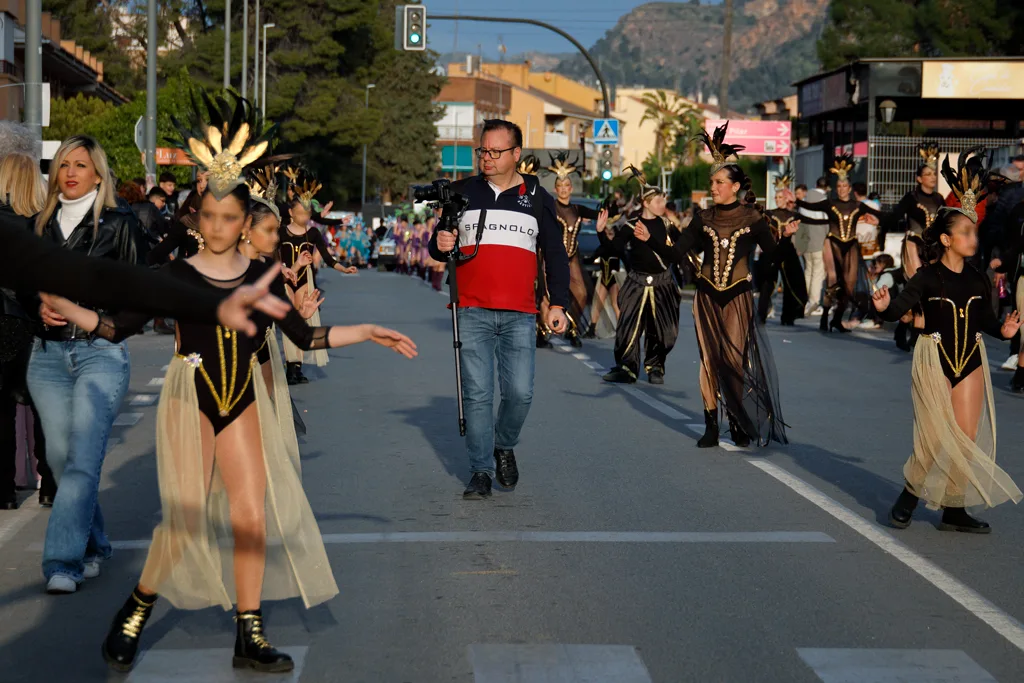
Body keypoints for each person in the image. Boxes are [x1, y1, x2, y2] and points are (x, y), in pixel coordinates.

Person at [41, 94, 417, 675]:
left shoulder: (264, 277)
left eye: (229, 218)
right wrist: (74, 310)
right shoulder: (174, 274)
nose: (217, 226)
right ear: (198, 216)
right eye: (208, 215)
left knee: (251, 515)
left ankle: (250, 632)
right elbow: (118, 328)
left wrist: (365, 330)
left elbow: (306, 338)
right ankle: (137, 609)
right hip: (190, 396)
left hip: (242, 395)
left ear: (245, 224)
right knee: (187, 518)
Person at [24, 136, 149, 594]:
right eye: (63, 165)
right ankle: (94, 545)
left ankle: (62, 562)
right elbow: (19, 284)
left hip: (100, 355)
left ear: (98, 174)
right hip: (47, 357)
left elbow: (141, 292)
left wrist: (101, 321)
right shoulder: (37, 225)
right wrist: (36, 305)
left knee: (80, 462)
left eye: (81, 165)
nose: (71, 172)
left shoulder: (120, 224)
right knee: (60, 460)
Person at [874, 149, 1022, 533]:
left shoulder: (977, 278)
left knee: (965, 437)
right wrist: (886, 307)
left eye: (975, 231)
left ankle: (953, 509)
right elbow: (896, 313)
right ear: (946, 238)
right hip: (933, 355)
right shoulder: (925, 277)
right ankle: (909, 495)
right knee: (935, 436)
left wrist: (1004, 332)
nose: (974, 237)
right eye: (966, 232)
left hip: (970, 358)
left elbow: (985, 320)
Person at [428, 119, 569, 500]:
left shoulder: (537, 196)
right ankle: (480, 472)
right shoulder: (461, 193)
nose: (486, 158)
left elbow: (555, 253)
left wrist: (558, 303)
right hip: (471, 310)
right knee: (477, 394)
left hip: (520, 313)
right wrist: (440, 242)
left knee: (520, 393)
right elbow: (437, 246)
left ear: (516, 154)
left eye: (495, 152)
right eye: (482, 151)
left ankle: (503, 444)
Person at [656, 122, 795, 447]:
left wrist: (786, 239)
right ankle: (710, 424)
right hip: (705, 295)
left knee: (733, 360)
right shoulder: (703, 219)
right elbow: (676, 253)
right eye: (712, 182)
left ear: (734, 186)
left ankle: (736, 419)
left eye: (719, 182)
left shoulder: (753, 219)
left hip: (738, 296)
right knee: (709, 360)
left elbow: (774, 258)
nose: (713, 187)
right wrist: (651, 238)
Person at [0, 152, 55, 510]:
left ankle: (4, 488)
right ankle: (48, 483)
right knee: (43, 408)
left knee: (2, 409)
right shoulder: (41, 224)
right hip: (32, 319)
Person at [600, 168, 681, 386]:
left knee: (665, 332)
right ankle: (628, 367)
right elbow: (612, 251)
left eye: (663, 200)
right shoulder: (630, 226)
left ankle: (655, 366)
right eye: (657, 201)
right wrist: (600, 232)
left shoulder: (667, 226)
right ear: (646, 203)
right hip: (636, 282)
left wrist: (649, 239)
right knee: (629, 328)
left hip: (662, 283)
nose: (662, 204)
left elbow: (676, 254)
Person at [277, 168, 358, 385]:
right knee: (288, 321)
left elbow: (328, 259)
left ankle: (297, 367)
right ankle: (289, 366)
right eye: (301, 212)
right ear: (291, 213)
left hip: (304, 279)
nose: (305, 216)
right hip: (287, 279)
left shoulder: (312, 234)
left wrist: (345, 269)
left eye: (308, 213)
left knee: (301, 320)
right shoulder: (281, 233)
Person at [798, 156, 880, 332]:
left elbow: (881, 215)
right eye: (839, 186)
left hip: (851, 245)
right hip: (832, 243)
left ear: (850, 188)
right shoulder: (830, 203)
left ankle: (836, 319)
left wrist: (884, 221)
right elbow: (809, 208)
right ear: (836, 189)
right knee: (833, 281)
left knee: (849, 284)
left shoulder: (858, 205)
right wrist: (795, 202)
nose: (842, 189)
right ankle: (825, 315)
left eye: (845, 186)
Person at [541, 152, 608, 347]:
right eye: (559, 186)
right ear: (555, 189)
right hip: (551, 256)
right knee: (545, 295)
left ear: (571, 188)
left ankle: (572, 328)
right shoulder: (549, 207)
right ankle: (541, 332)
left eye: (566, 186)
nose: (563, 189)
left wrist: (605, 217)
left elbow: (602, 213)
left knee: (581, 293)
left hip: (571, 257)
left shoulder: (578, 209)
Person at [760, 168, 807, 325]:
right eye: (776, 197)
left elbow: (810, 224)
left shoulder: (794, 215)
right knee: (768, 283)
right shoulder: (768, 213)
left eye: (781, 197)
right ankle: (761, 315)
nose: (778, 199)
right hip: (771, 251)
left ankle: (788, 316)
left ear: (787, 198)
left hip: (788, 252)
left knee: (791, 283)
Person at [796, 184, 828, 316]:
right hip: (820, 243)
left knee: (808, 272)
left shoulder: (803, 207)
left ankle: (806, 299)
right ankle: (814, 302)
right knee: (818, 274)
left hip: (807, 245)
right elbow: (827, 225)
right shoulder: (823, 206)